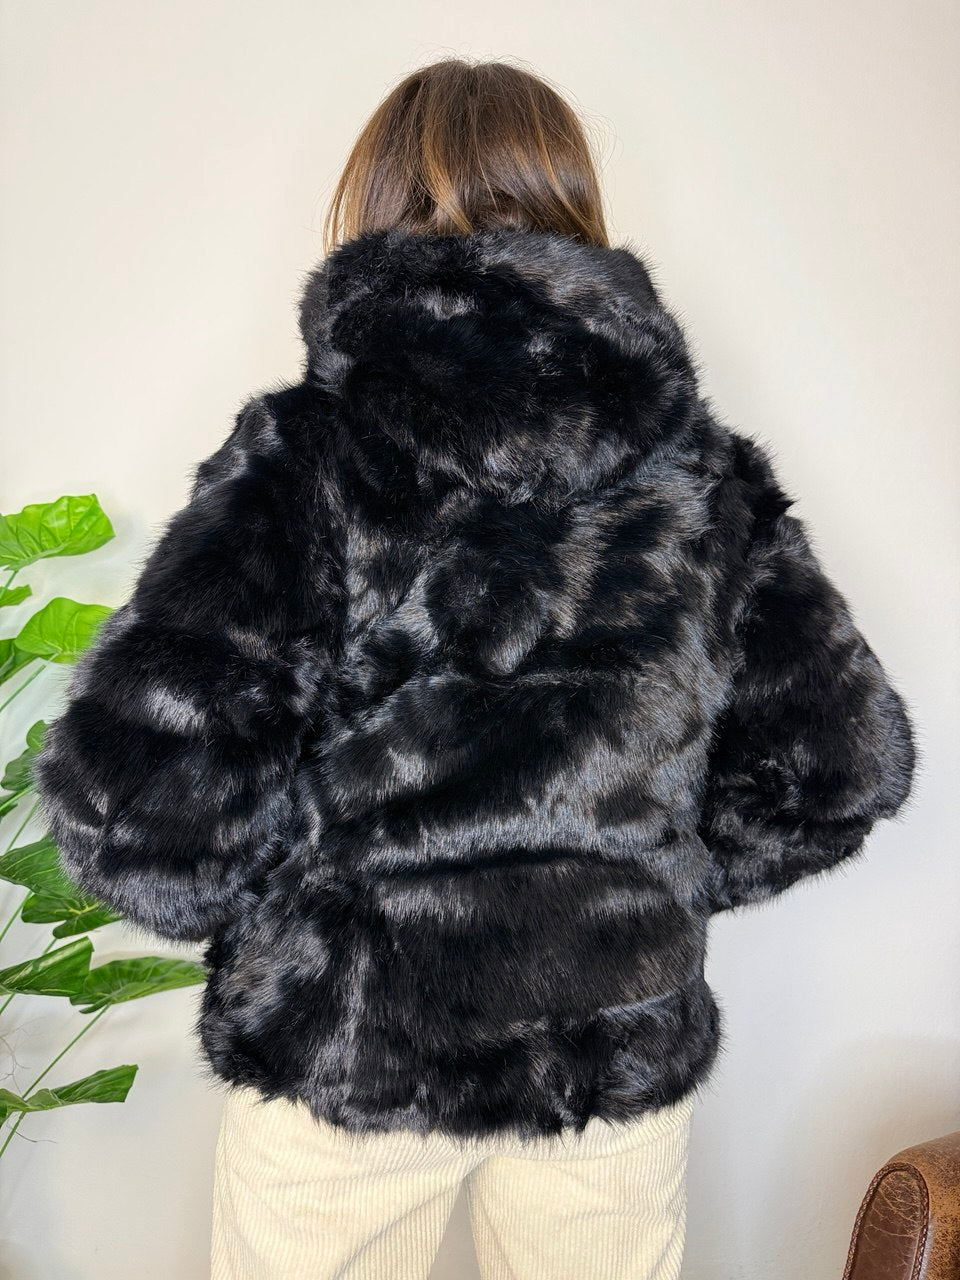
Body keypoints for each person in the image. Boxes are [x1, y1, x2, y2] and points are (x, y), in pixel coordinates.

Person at [35, 57, 917, 1280]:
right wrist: (630, 879)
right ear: (576, 206)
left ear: (372, 202)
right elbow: (836, 765)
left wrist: (302, 912)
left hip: (358, 1045)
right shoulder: (701, 476)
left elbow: (139, 803)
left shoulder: (310, 456)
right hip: (606, 1052)